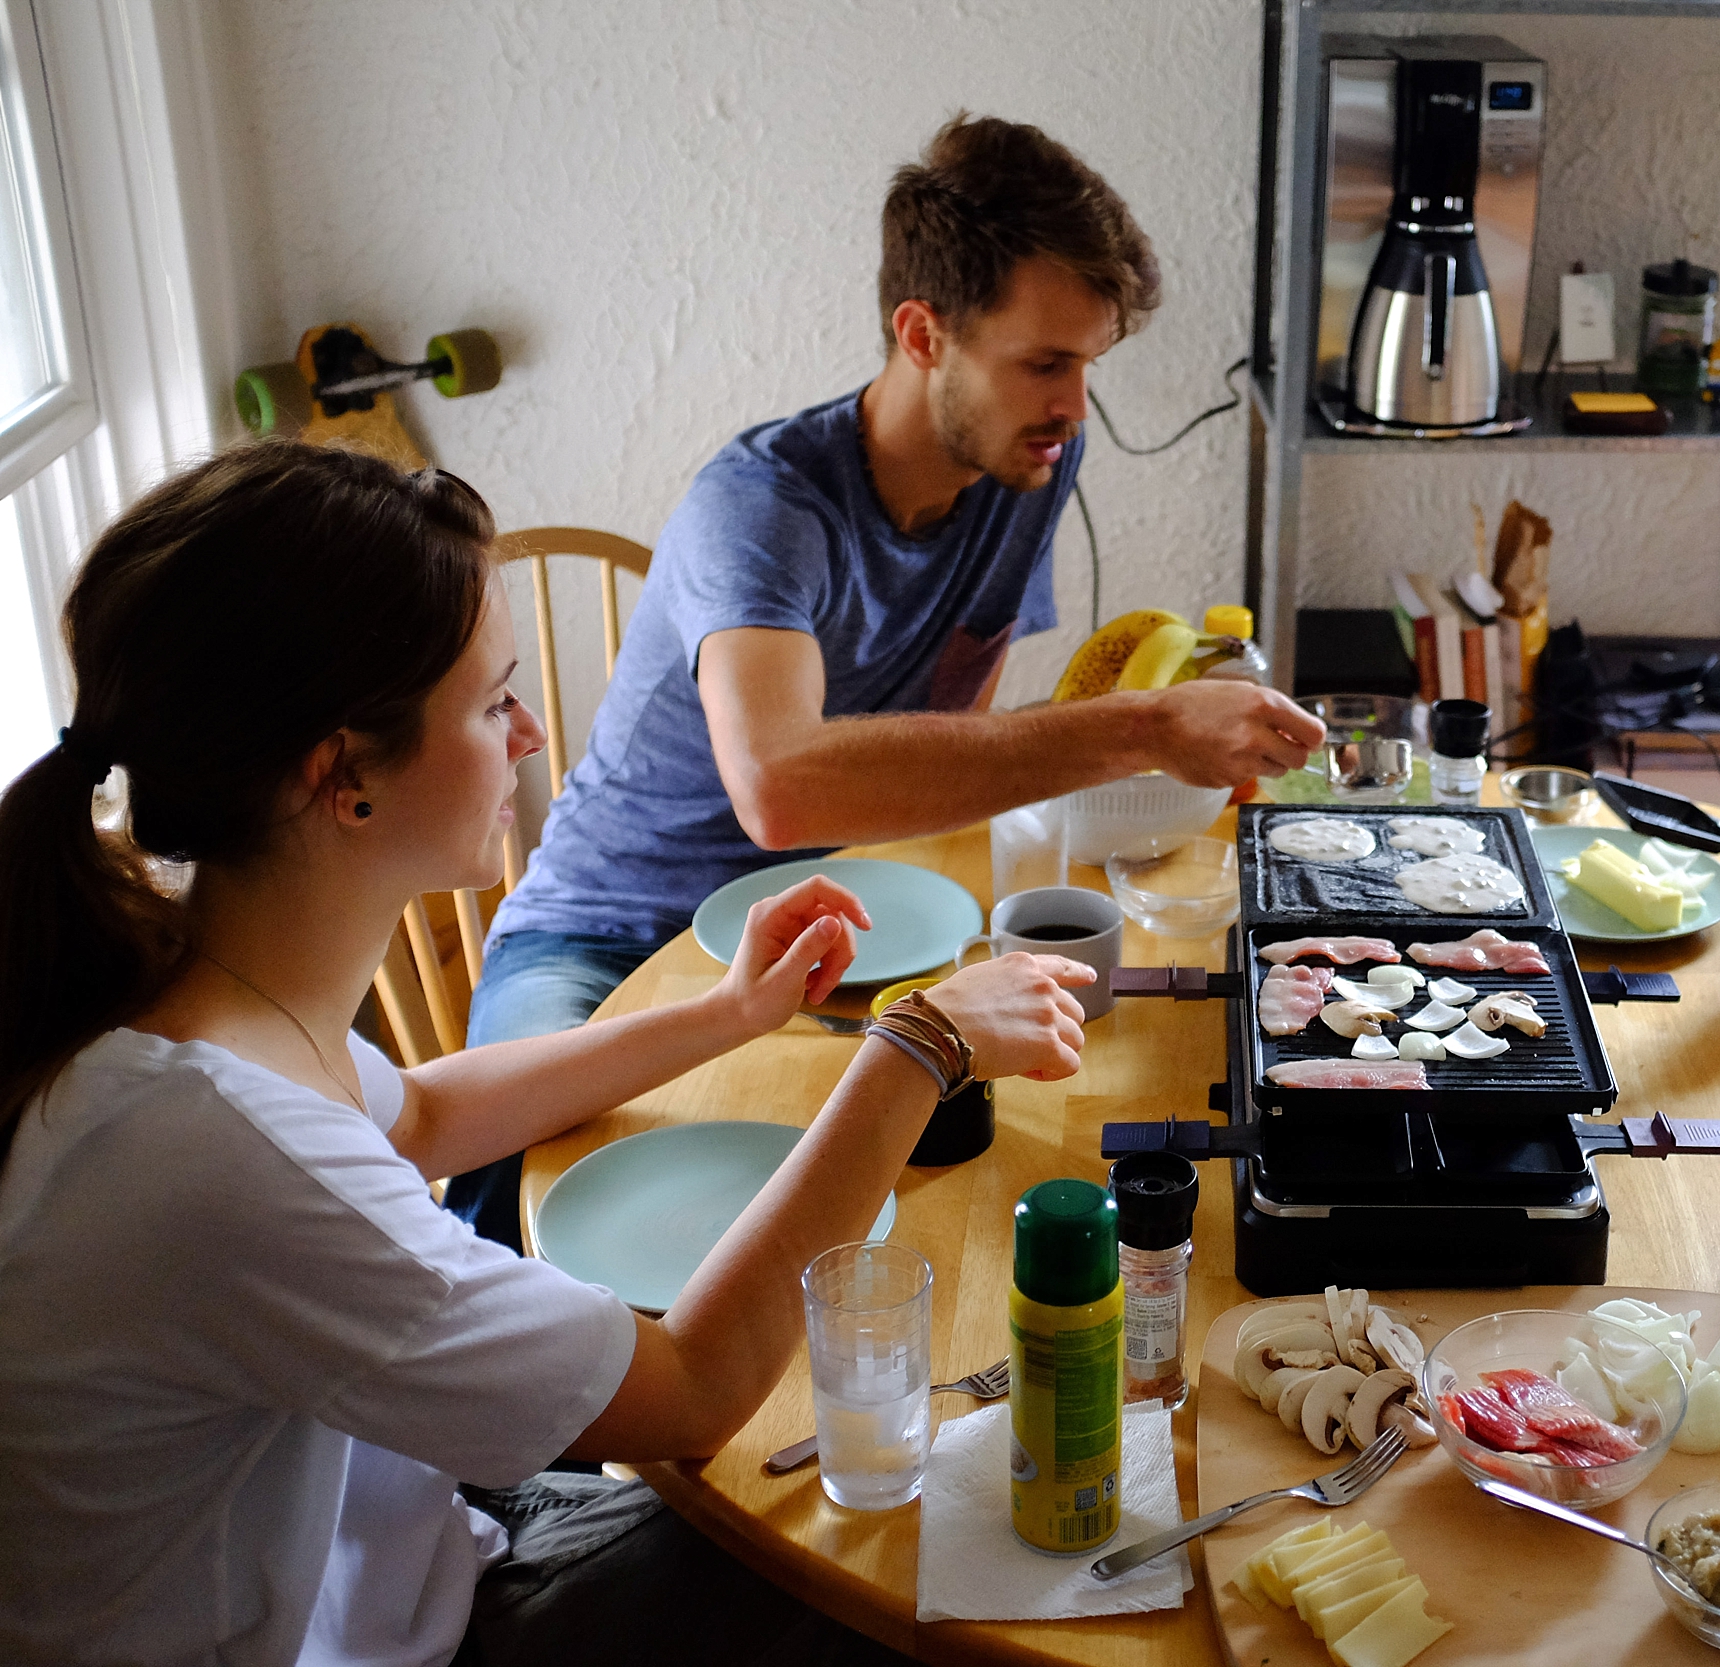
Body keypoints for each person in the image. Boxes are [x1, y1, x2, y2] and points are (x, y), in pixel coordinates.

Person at [0, 441, 1092, 1665]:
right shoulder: (215, 1149)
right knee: (895, 1586)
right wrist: (919, 1045)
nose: (527, 734)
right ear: (343, 776)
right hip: (398, 1640)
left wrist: (726, 1012)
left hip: (422, 1553)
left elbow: (412, 1114)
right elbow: (691, 1387)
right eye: (489, 699)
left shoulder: (186, 997)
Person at [455, 112, 1321, 1248]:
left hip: (850, 929)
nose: (1074, 404)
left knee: (940, 1219)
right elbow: (780, 789)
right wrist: (1147, 724)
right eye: (1045, 362)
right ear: (923, 332)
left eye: (1088, 365)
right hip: (613, 934)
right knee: (505, 1195)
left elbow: (940, 745)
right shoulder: (762, 508)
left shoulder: (1029, 460)